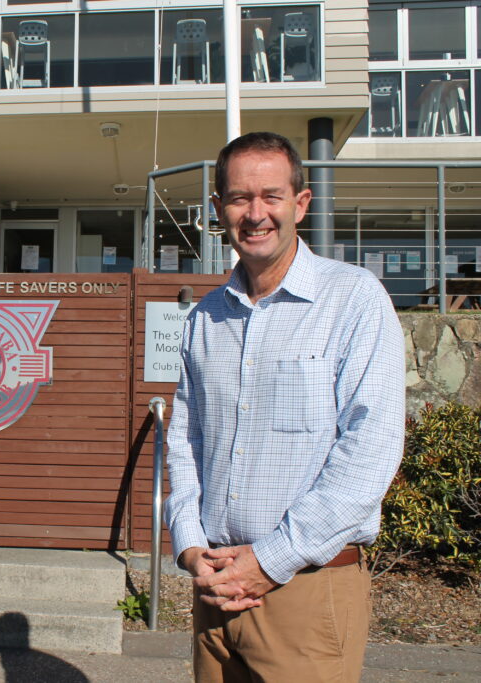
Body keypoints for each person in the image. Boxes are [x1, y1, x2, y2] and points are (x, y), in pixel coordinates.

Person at [164, 132, 405, 682]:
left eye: (271, 196)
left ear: (300, 204)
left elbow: (370, 451)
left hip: (306, 587)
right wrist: (190, 546)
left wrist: (270, 560)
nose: (255, 214)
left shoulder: (353, 299)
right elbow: (186, 442)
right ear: (218, 209)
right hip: (217, 589)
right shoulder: (206, 318)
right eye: (238, 198)